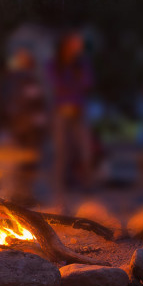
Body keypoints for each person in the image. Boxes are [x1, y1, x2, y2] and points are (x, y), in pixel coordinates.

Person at [48, 32, 93, 210]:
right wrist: (72, 82)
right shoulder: (54, 65)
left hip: (79, 112)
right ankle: (60, 195)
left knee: (85, 151)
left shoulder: (83, 64)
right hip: (61, 113)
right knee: (61, 154)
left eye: (79, 45)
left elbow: (87, 83)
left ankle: (86, 193)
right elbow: (57, 84)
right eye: (75, 44)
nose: (78, 48)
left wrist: (73, 80)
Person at [0, 48, 48, 206]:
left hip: (30, 131)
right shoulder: (12, 82)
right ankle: (14, 195)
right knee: (15, 164)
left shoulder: (31, 81)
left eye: (25, 59)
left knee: (28, 164)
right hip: (17, 130)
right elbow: (9, 106)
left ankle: (25, 194)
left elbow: (37, 104)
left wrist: (38, 124)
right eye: (20, 59)